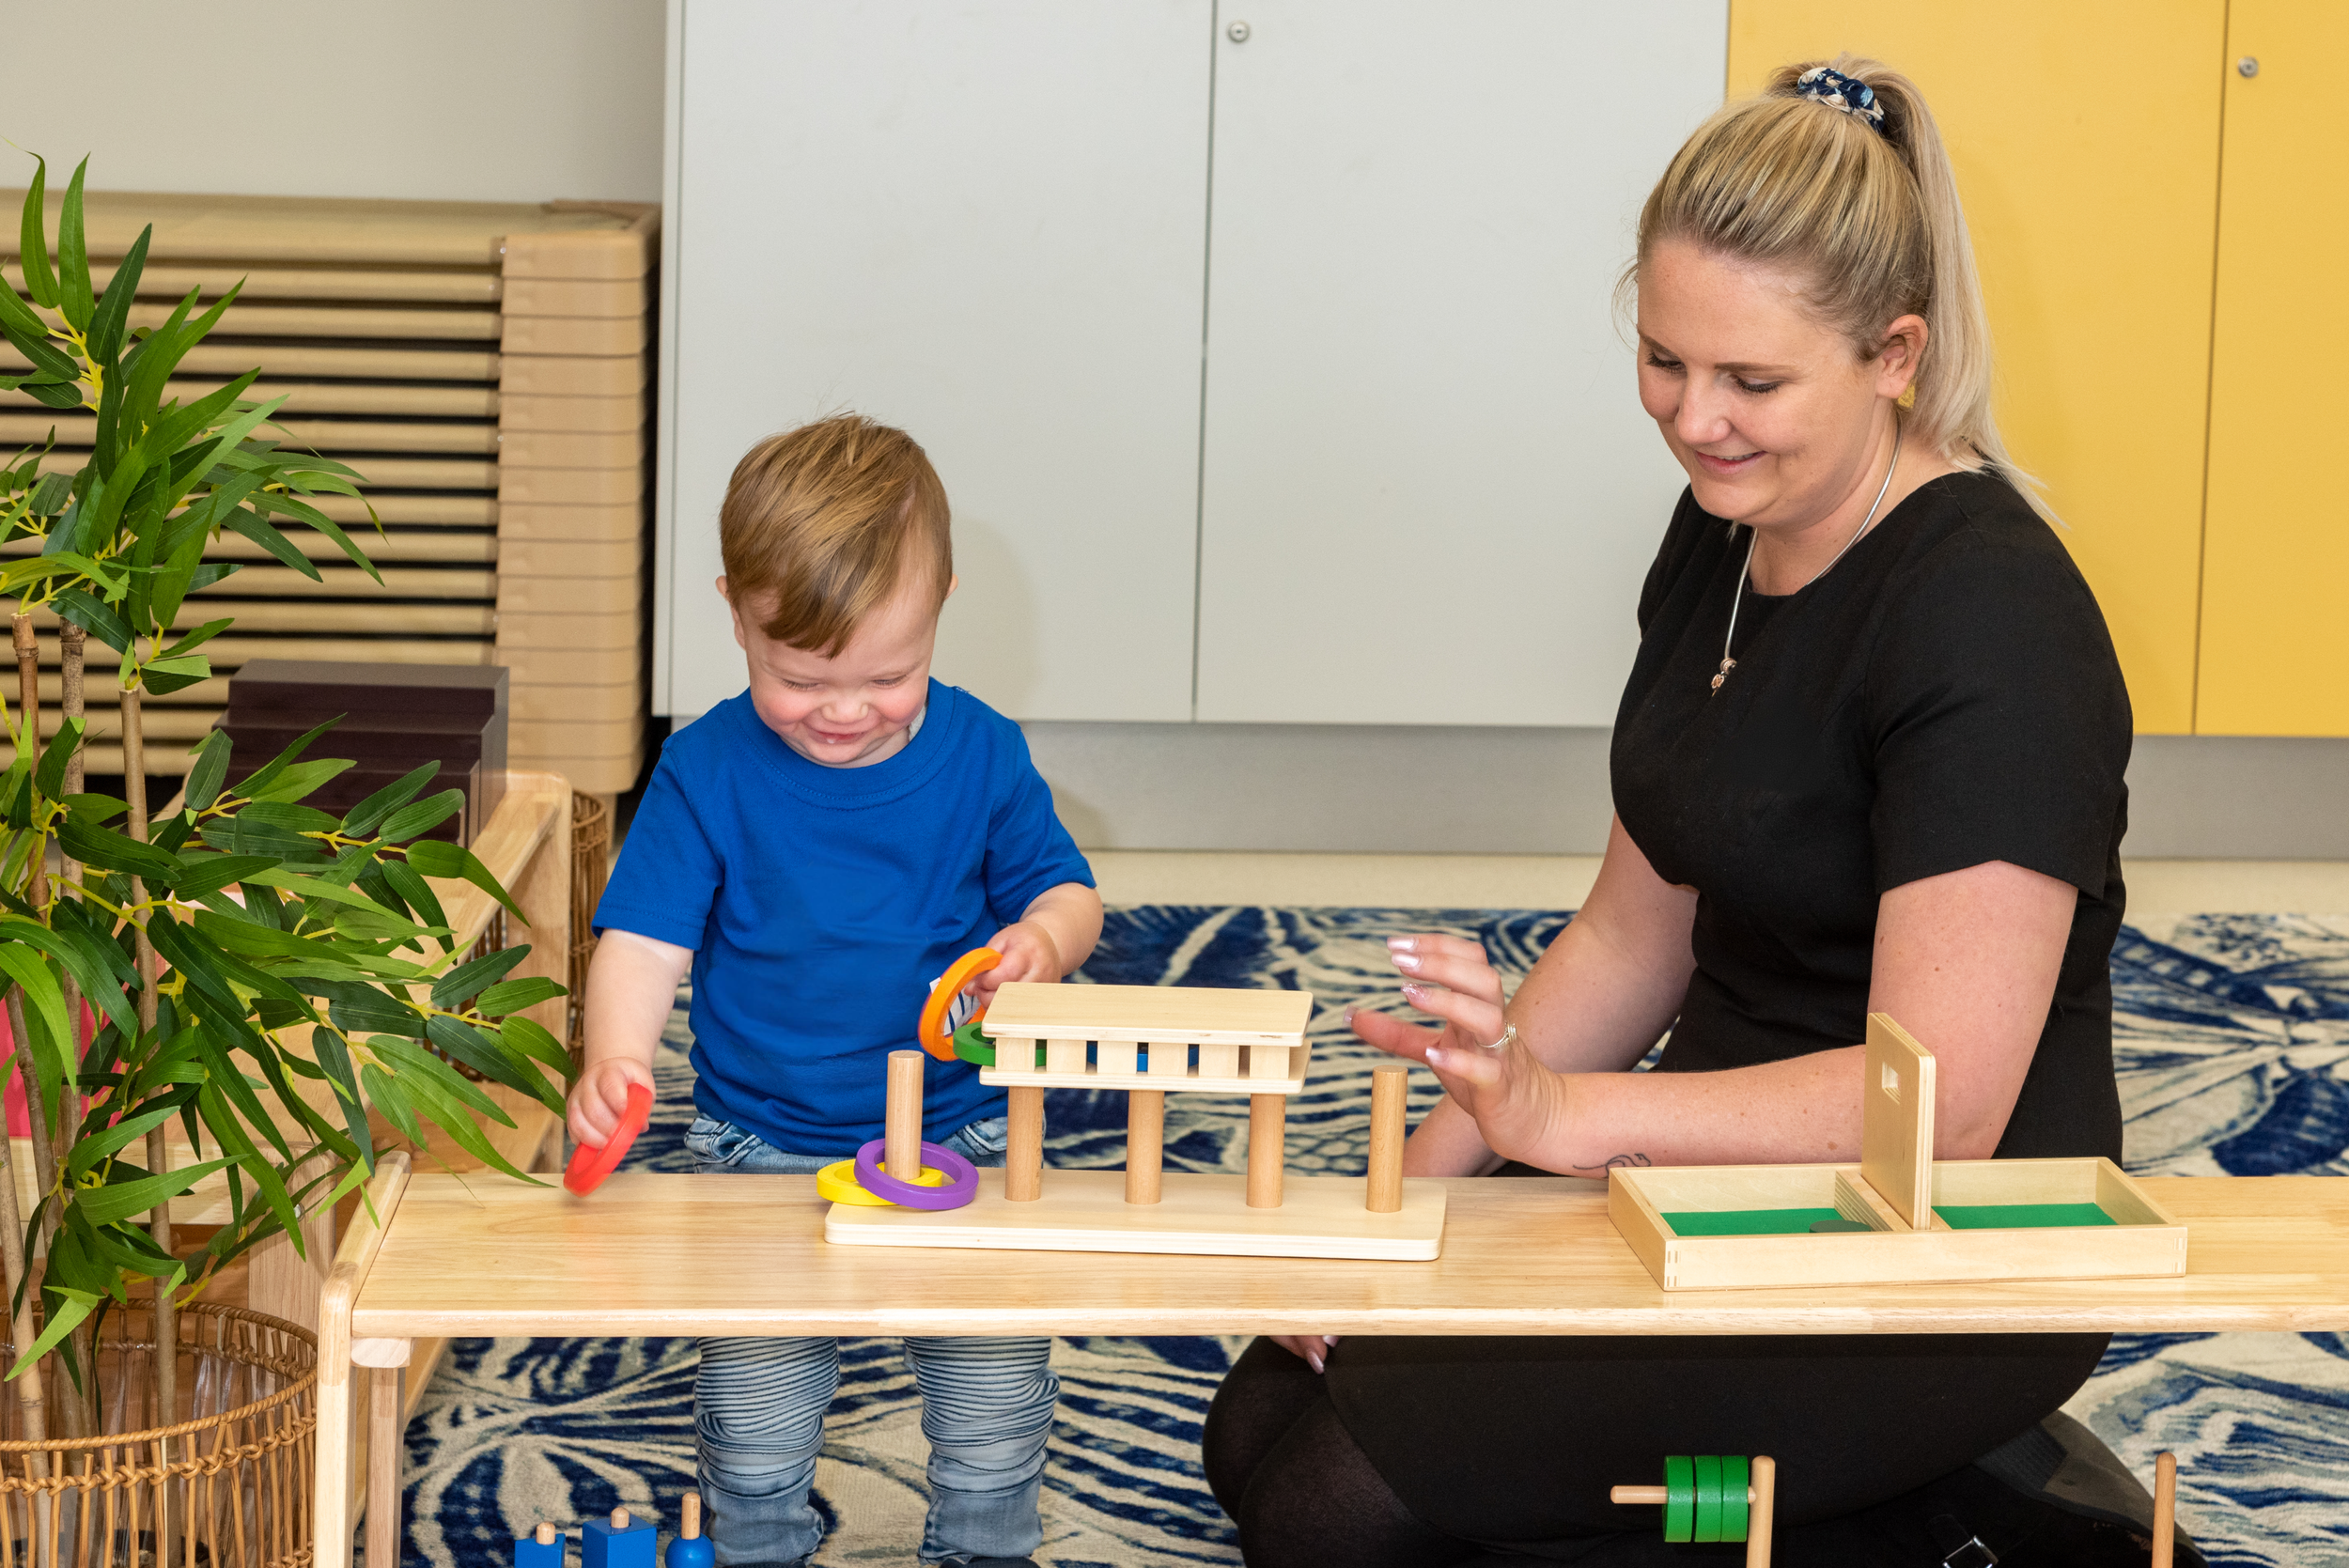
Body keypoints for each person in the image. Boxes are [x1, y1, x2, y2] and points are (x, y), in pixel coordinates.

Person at [1202, 58, 2160, 1566]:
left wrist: (1573, 1119)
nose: (1695, 422)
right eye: (1664, 361)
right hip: (1708, 1168)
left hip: (1949, 1239)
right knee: (1260, 1423)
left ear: (1896, 354)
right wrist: (1385, 1215)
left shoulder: (1992, 620)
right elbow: (1630, 934)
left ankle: (1961, 1514)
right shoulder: (1734, 520)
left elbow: (1945, 1109)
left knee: (1339, 1511)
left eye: (1752, 383)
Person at [575, 414, 1103, 1568]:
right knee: (754, 1419)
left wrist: (1042, 945)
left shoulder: (982, 752)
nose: (847, 710)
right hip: (757, 1139)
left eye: (890, 675)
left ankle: (981, 1545)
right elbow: (641, 943)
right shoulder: (705, 768)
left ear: (943, 607)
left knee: (993, 1391)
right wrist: (613, 1055)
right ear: (734, 612)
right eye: (798, 677)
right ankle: (763, 1538)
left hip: (963, 1135)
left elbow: (1068, 891)